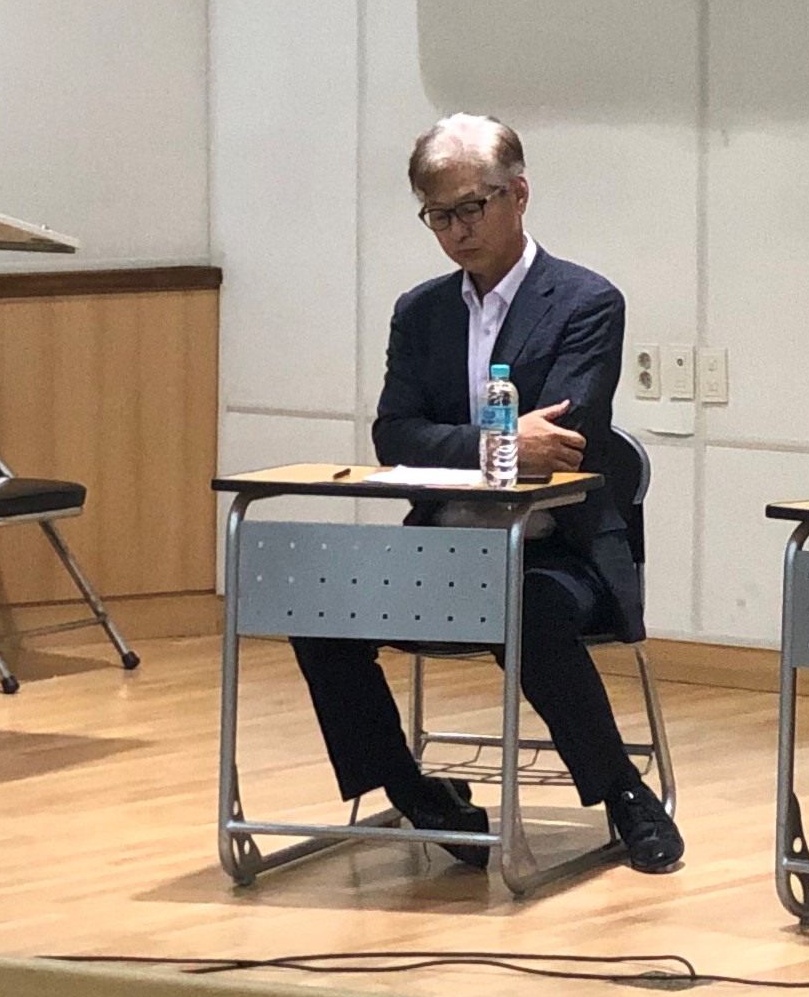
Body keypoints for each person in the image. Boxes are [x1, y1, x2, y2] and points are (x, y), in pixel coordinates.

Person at [286, 114, 685, 875]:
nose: (458, 231)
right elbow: (394, 435)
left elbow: (561, 441)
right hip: (445, 545)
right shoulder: (420, 311)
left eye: (472, 207)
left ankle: (623, 793)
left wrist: (459, 441)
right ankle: (414, 791)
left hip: (555, 550)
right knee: (316, 602)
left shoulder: (586, 301)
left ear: (519, 194)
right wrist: (496, 442)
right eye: (439, 215)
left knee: (522, 605)